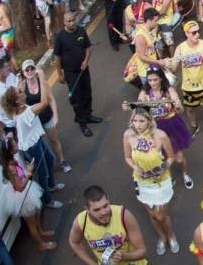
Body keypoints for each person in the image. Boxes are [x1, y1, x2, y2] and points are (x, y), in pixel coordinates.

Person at [122, 107, 179, 255]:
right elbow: (127, 157)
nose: (138, 124)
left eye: (142, 120)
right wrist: (135, 167)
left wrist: (163, 167)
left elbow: (171, 156)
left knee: (161, 215)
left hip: (161, 181)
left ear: (149, 120)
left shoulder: (160, 135)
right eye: (135, 121)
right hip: (142, 182)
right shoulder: (128, 135)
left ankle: (171, 236)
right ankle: (162, 237)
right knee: (152, 214)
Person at [136, 69, 194, 188]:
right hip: (154, 128)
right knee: (162, 158)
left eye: (155, 79)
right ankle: (170, 177)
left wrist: (177, 105)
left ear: (161, 78)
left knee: (178, 158)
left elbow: (181, 110)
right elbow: (139, 111)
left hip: (171, 125)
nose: (152, 83)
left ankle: (185, 174)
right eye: (150, 80)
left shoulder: (169, 90)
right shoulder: (144, 93)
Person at [0, 135, 55, 251]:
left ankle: (41, 232)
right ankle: (41, 244)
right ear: (9, 150)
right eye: (14, 145)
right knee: (31, 223)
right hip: (21, 197)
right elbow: (19, 188)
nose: (17, 145)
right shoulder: (10, 168)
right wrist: (28, 173)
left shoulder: (12, 160)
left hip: (28, 192)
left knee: (36, 214)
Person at [169, 20, 203, 139]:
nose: (197, 35)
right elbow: (173, 68)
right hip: (188, 87)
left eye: (198, 32)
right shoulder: (180, 48)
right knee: (190, 109)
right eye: (193, 33)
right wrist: (167, 63)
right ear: (186, 33)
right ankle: (194, 126)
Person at [68, 185, 148, 265]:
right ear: (87, 209)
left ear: (108, 201)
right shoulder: (81, 222)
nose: (104, 213)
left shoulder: (124, 216)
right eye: (97, 210)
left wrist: (123, 256)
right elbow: (74, 242)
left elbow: (142, 251)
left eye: (105, 206)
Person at [54, 10, 103, 137]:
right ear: (64, 22)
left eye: (73, 20)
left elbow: (88, 48)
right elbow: (57, 58)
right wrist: (60, 74)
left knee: (87, 93)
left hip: (83, 69)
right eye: (68, 21)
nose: (71, 23)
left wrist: (86, 60)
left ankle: (88, 115)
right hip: (70, 73)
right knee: (76, 98)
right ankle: (82, 122)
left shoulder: (81, 30)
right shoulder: (59, 36)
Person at [19, 59, 70, 172]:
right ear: (23, 72)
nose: (30, 71)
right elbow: (21, 104)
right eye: (27, 70)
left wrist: (55, 115)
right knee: (39, 143)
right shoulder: (22, 86)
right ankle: (46, 165)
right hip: (33, 121)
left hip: (47, 116)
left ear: (35, 69)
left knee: (53, 139)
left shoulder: (42, 82)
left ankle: (62, 161)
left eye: (32, 68)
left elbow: (51, 99)